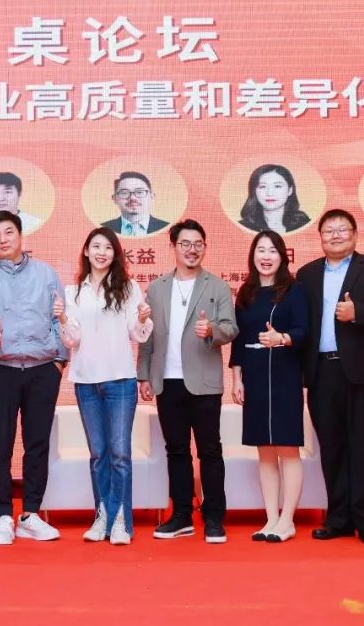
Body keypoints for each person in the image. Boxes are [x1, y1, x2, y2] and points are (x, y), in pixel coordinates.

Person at [296, 209, 364, 546]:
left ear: (355, 235)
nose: (336, 235)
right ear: (320, 238)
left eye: (342, 229)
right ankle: (338, 519)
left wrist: (359, 313)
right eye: (329, 230)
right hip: (323, 371)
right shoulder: (306, 274)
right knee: (332, 447)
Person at [0, 210, 67, 545]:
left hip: (42, 370)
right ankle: (3, 516)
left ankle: (31, 514)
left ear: (20, 235)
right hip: (1, 370)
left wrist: (59, 362)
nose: (3, 240)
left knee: (37, 443)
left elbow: (60, 319)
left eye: (8, 232)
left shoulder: (46, 274)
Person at [137, 219, 238, 543]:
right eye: (185, 244)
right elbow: (147, 336)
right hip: (167, 381)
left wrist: (212, 331)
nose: (192, 250)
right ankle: (181, 514)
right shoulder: (156, 288)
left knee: (210, 450)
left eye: (198, 244)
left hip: (204, 382)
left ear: (205, 247)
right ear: (174, 247)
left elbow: (231, 328)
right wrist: (144, 374)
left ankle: (214, 517)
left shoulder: (217, 286)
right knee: (176, 450)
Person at [56, 227, 153, 545]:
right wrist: (62, 320)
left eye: (108, 248)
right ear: (86, 251)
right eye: (96, 246)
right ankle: (102, 517)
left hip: (120, 381)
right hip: (86, 382)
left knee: (120, 454)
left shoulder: (128, 288)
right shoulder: (73, 292)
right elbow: (72, 340)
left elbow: (137, 334)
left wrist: (142, 318)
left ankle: (121, 520)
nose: (102, 252)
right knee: (98, 454)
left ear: (115, 254)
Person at [230, 230, 309, 543]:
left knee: (287, 448)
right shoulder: (246, 292)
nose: (266, 256)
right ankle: (271, 519)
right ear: (253, 255)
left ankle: (287, 520)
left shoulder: (294, 290)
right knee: (264, 451)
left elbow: (303, 330)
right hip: (254, 375)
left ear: (282, 256)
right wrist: (236, 378)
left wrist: (282, 338)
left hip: (285, 373)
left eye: (272, 250)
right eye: (261, 250)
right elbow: (238, 340)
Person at [237, 164, 311, 234]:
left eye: (277, 186)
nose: (270, 193)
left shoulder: (303, 223)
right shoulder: (244, 226)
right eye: (262, 186)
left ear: (290, 190)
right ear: (254, 191)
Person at [100, 171, 169, 236]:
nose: (132, 198)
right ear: (115, 198)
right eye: (124, 193)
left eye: (139, 192)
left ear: (152, 197)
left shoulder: (166, 228)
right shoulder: (103, 229)